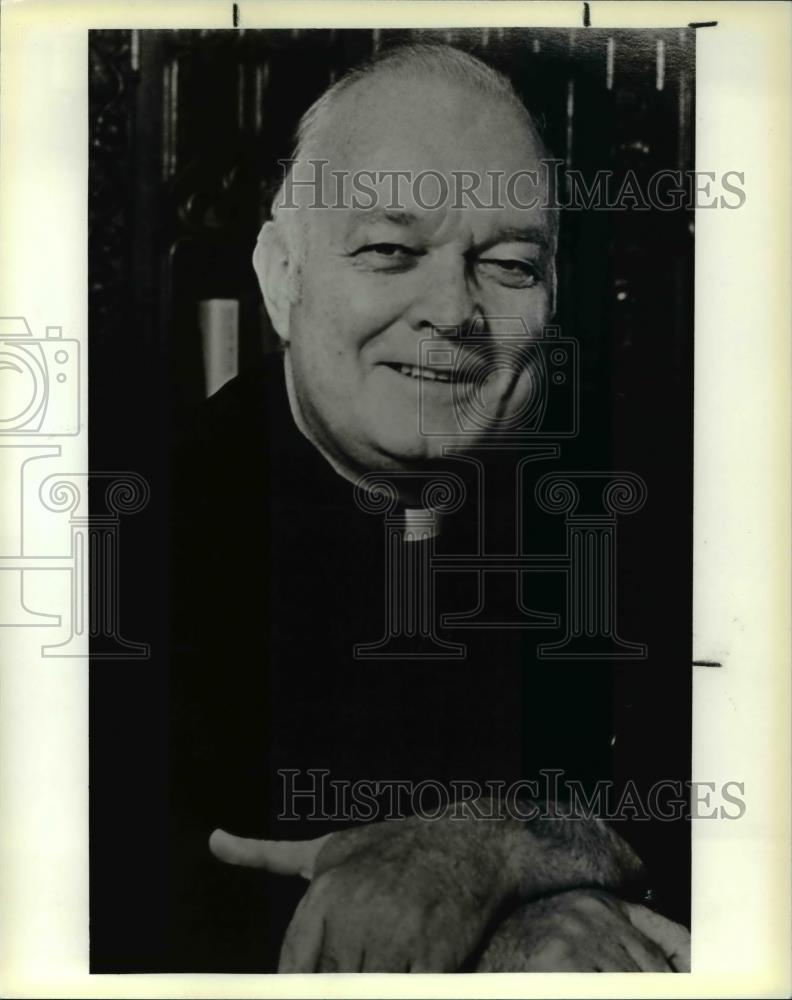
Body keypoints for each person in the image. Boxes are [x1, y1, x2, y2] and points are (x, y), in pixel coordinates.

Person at [169, 42, 690, 973]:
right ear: (281, 275)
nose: (453, 309)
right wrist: (506, 924)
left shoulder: (655, 497)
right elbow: (141, 899)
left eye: (510, 265)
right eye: (391, 251)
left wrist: (504, 847)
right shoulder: (133, 530)